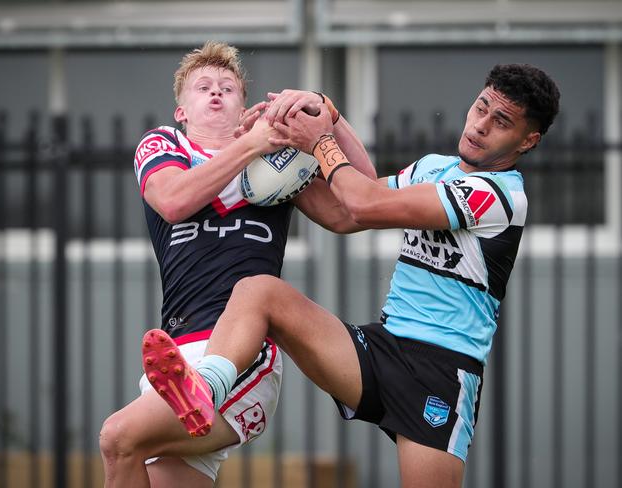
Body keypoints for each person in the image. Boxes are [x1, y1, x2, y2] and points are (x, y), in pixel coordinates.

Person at [142, 63, 560, 488]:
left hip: (440, 370)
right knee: (259, 291)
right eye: (481, 107)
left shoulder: (501, 197)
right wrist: (306, 130)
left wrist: (320, 139)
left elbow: (365, 206)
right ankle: (205, 390)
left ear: (529, 139)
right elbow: (343, 210)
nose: (481, 125)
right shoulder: (436, 167)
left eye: (501, 121)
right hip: (383, 347)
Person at [99, 41, 376, 488]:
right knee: (136, 458)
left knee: (118, 437)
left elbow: (357, 209)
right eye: (203, 87)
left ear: (244, 105)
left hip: (240, 356)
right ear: (181, 111)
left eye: (227, 88)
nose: (215, 94)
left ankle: (208, 387)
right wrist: (251, 143)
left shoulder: (278, 162)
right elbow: (172, 201)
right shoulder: (165, 145)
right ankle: (195, 392)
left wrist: (330, 117)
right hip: (175, 360)